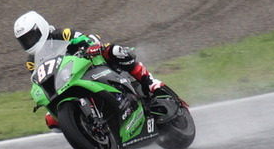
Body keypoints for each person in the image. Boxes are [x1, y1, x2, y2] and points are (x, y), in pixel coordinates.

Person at [14, 10, 164, 130]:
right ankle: (85, 126)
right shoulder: (31, 62)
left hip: (90, 63)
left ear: (40, 27)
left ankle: (150, 82)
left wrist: (89, 46)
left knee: (115, 51)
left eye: (31, 37)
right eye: (25, 41)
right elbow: (39, 78)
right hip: (65, 82)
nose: (29, 42)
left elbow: (83, 38)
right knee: (51, 120)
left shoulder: (61, 34)